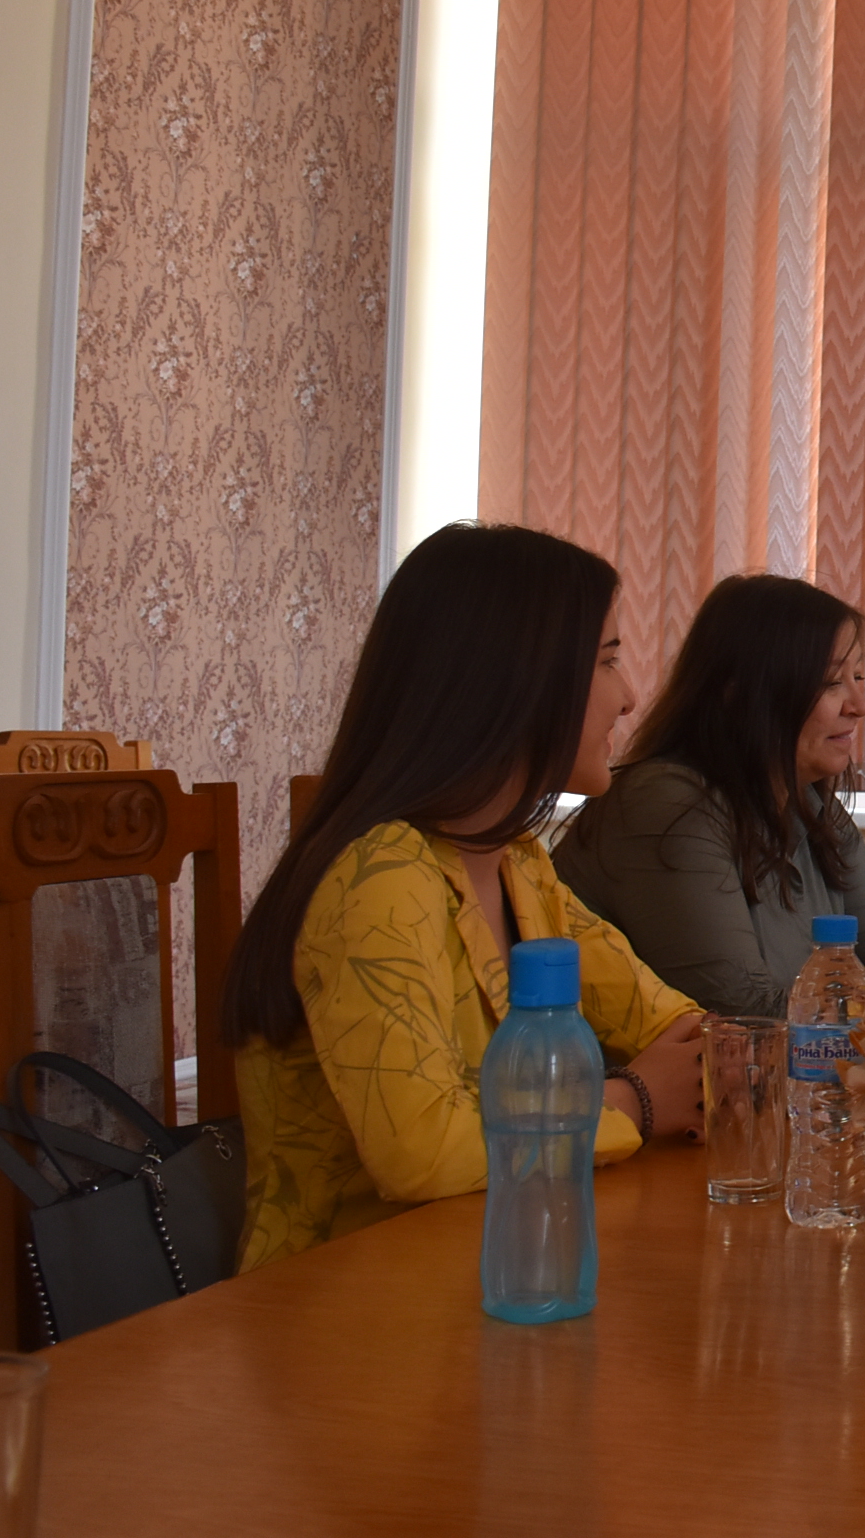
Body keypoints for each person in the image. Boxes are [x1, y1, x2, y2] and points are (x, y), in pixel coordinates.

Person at [227, 523, 707, 1272]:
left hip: (485, 1268)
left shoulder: (517, 864)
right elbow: (422, 1155)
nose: (631, 696)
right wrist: (637, 1099)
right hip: (340, 1300)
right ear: (518, 682)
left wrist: (711, 1064)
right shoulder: (381, 878)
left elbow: (676, 1026)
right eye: (608, 661)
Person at [556, 574, 865, 1016]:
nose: (860, 705)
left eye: (858, 677)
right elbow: (749, 1019)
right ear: (742, 692)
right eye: (830, 682)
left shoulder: (813, 805)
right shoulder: (665, 804)